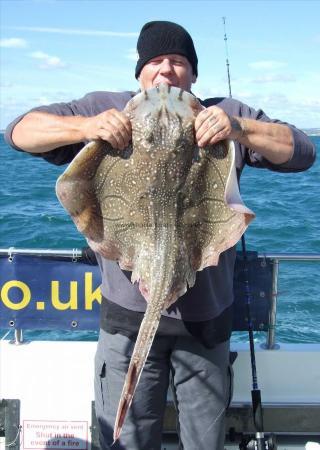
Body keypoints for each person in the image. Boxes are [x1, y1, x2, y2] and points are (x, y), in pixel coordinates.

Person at [5, 20, 315, 450]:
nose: (167, 71)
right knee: (126, 440)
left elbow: (302, 152)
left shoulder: (222, 112)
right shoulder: (105, 107)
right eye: (156, 61)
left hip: (205, 323)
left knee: (205, 442)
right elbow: (19, 131)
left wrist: (238, 128)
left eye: (179, 61)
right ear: (139, 72)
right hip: (127, 321)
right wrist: (87, 128)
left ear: (194, 74)